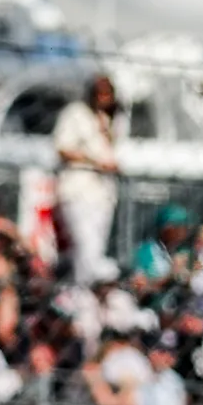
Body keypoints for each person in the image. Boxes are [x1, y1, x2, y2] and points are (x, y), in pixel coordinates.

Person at [52, 75, 123, 284]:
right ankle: (86, 291)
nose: (104, 98)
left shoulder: (110, 119)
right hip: (78, 189)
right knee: (86, 246)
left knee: (95, 247)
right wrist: (95, 161)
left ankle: (83, 292)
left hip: (103, 193)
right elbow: (63, 148)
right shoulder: (76, 114)